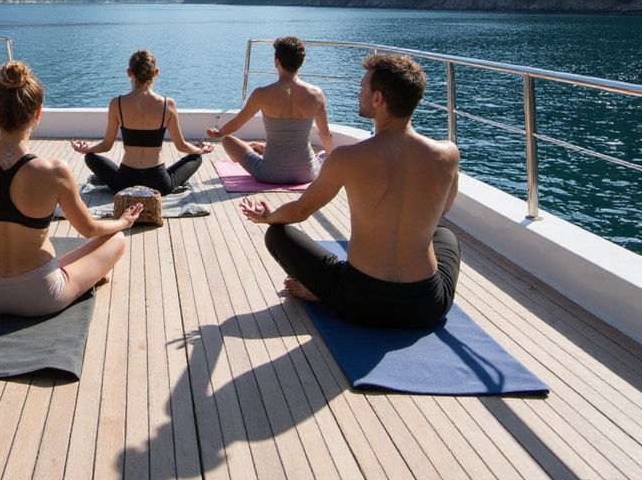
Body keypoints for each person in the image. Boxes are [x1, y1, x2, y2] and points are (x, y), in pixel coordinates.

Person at [241, 52, 461, 328]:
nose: (359, 94)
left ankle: (322, 292)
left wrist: (268, 217)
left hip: (359, 301)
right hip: (427, 305)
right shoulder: (448, 154)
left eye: (362, 88)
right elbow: (444, 209)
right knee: (445, 236)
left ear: (378, 99)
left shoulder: (347, 157)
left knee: (277, 234)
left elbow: (300, 211)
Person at [0, 61, 143, 317]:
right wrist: (122, 222)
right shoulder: (55, 171)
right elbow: (89, 229)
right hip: (41, 295)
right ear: (38, 113)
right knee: (115, 239)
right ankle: (75, 275)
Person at [70, 49, 213, 196]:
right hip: (158, 183)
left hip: (124, 182)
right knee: (196, 158)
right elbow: (181, 145)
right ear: (156, 72)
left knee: (90, 158)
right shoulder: (167, 104)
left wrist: (86, 150)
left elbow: (106, 145)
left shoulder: (117, 103)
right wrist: (200, 150)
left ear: (129, 72)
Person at [207, 36, 333, 184]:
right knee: (324, 154)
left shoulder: (262, 94)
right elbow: (325, 135)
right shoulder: (316, 94)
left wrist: (220, 133)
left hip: (270, 173)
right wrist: (332, 161)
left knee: (228, 141)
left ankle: (257, 147)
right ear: (301, 63)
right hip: (306, 174)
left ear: (276, 61)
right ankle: (260, 147)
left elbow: (236, 124)